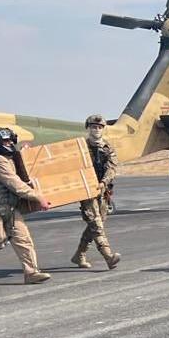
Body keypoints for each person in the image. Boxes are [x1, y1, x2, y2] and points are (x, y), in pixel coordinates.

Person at [0, 127, 52, 285]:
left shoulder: (9, 159)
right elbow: (15, 184)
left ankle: (31, 272)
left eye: (10, 140)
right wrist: (38, 196)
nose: (10, 143)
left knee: (23, 238)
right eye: (6, 141)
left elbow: (22, 168)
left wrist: (25, 151)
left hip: (10, 206)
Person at [70, 114, 121, 270]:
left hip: (103, 191)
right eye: (93, 127)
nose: (96, 130)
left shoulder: (108, 148)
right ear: (88, 128)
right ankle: (108, 257)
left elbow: (112, 167)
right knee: (96, 225)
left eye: (99, 127)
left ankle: (79, 254)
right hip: (86, 191)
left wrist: (103, 182)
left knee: (96, 224)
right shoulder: (81, 148)